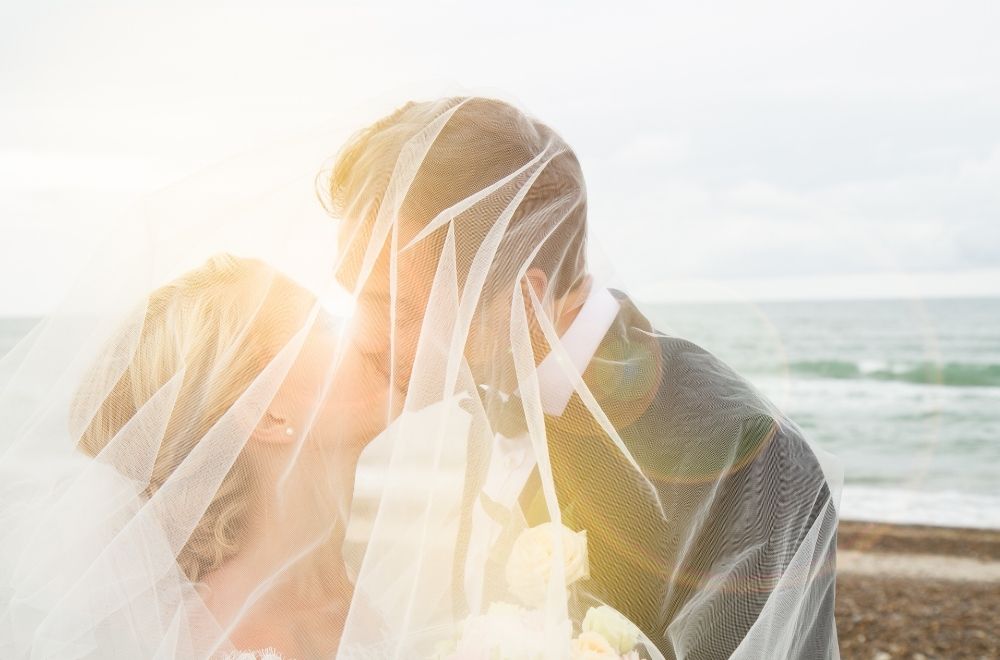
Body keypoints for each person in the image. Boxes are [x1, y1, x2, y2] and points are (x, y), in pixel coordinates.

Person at [328, 96, 841, 658]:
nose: (362, 336)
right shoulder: (476, 403)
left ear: (523, 302)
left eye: (395, 305)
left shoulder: (750, 460)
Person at [1, 254, 393, 659]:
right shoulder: (224, 642)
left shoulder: (347, 592)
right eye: (326, 325)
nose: (371, 337)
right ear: (270, 412)